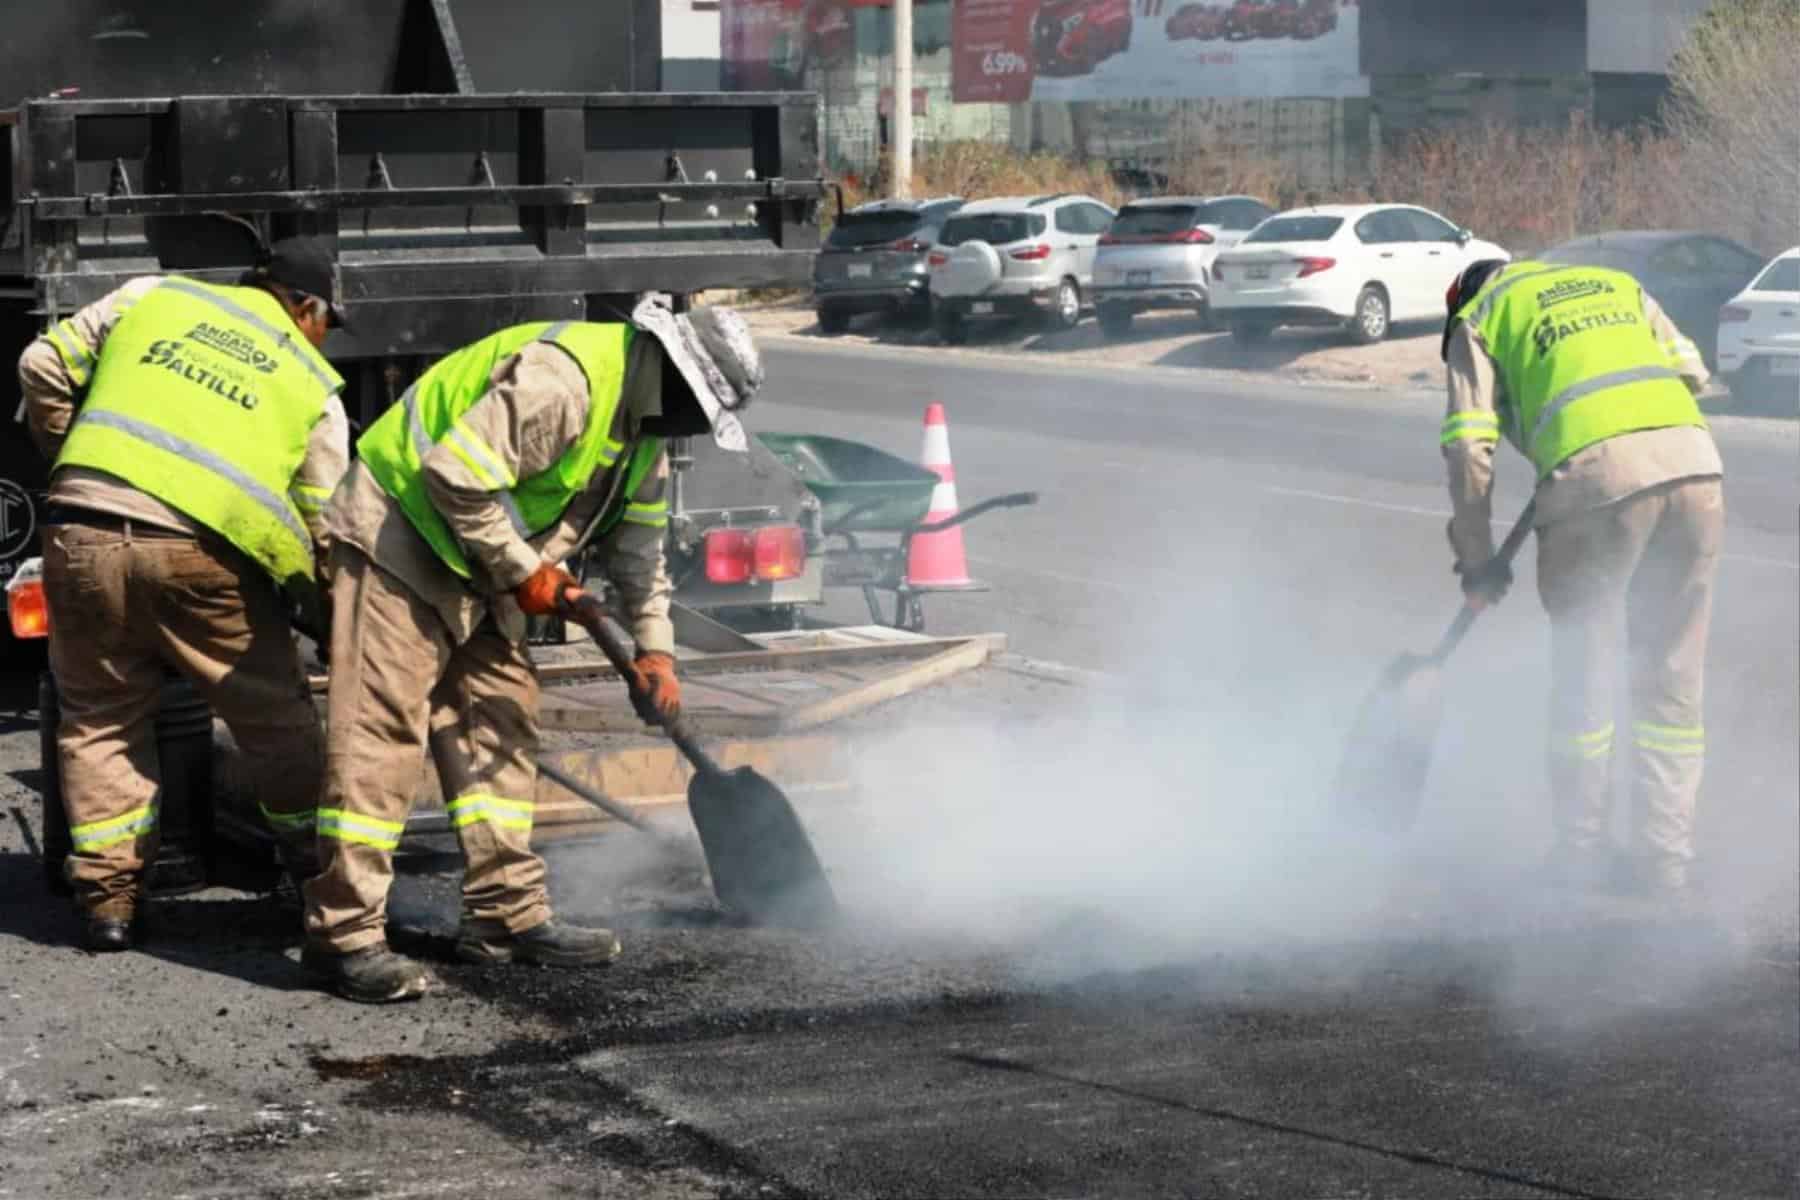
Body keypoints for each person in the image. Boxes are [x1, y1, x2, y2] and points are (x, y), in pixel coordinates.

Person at [302, 297, 762, 1004]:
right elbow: (452, 475)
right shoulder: (564, 381)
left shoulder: (644, 436)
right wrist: (527, 571)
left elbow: (641, 558)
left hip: (479, 566)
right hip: (401, 539)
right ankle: (345, 937)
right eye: (698, 409)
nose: (695, 427)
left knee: (500, 725)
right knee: (382, 737)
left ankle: (503, 915)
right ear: (670, 370)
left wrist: (657, 653)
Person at [19, 235, 351, 951]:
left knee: (100, 717)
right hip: (203, 558)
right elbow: (328, 527)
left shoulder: (154, 295)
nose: (326, 337)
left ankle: (109, 905)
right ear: (305, 307)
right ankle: (315, 874)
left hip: (83, 532)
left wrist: (73, 458)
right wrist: (332, 620)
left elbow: (39, 363)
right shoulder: (313, 386)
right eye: (329, 321)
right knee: (276, 719)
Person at [1440, 257, 1723, 900]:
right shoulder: (1616, 282)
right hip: (1696, 467)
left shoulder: (1478, 317)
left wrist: (1478, 559)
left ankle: (1580, 854)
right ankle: (1665, 860)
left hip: (1595, 482)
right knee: (1672, 676)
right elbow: (1692, 373)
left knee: (1584, 674)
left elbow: (1468, 443)